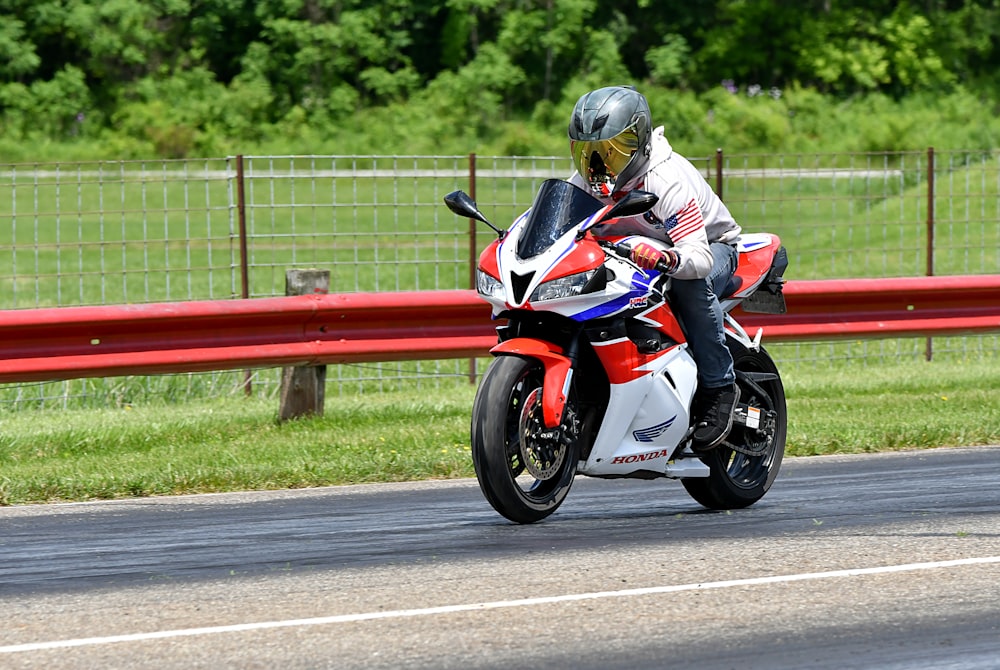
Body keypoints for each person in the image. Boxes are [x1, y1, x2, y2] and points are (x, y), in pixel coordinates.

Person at [567, 85, 741, 451]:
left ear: (639, 142)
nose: (597, 166)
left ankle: (720, 387)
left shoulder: (666, 180)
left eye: (611, 152)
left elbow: (700, 257)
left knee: (687, 284)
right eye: (588, 152)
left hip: (711, 247)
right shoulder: (584, 182)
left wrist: (669, 260)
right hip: (633, 255)